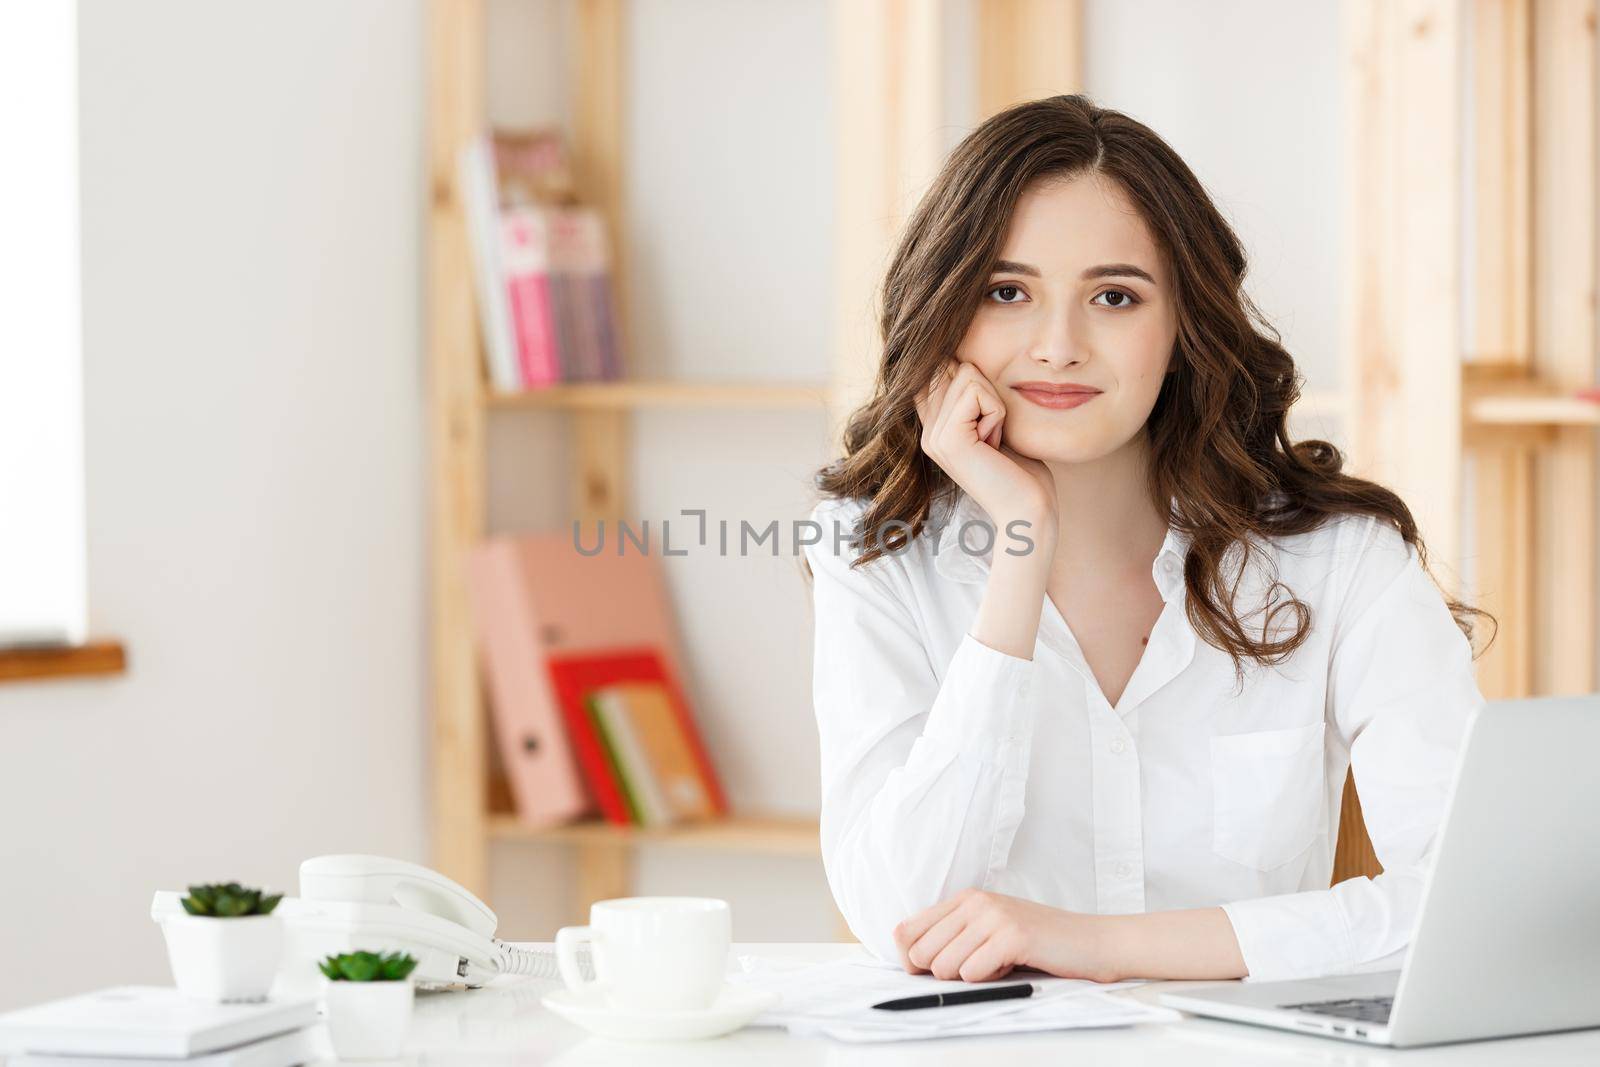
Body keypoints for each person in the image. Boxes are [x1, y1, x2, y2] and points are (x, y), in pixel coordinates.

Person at [799, 94, 1493, 986]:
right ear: (947, 315)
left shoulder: (1339, 557)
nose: (1058, 346)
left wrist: (1090, 944)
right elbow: (900, 911)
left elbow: (1462, 903)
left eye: (1114, 296)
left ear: (1181, 329)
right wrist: (1020, 546)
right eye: (1007, 293)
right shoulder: (876, 550)